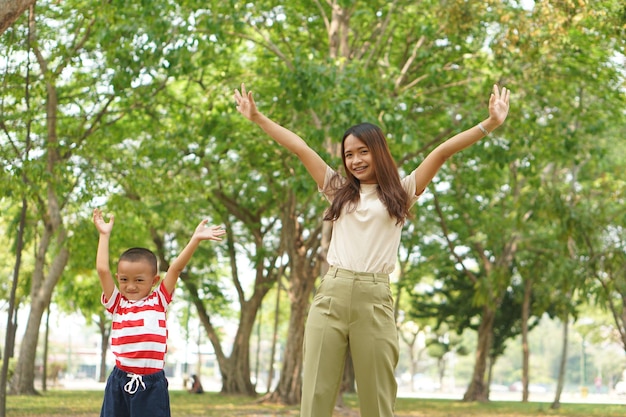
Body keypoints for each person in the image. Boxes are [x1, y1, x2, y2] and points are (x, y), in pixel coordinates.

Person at [234, 83, 510, 417]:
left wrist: (490, 124)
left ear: (378, 151)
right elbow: (301, 149)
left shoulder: (403, 192)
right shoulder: (337, 190)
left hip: (375, 301)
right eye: (349, 154)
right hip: (331, 295)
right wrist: (258, 117)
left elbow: (440, 153)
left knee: (377, 398)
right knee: (316, 395)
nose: (355, 160)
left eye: (362, 151)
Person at [92, 208, 225, 417]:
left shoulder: (158, 300)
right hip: (120, 381)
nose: (130, 286)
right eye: (124, 279)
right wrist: (104, 235)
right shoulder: (117, 303)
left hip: (151, 385)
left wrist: (195, 240)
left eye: (139, 280)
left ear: (154, 281)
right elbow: (102, 270)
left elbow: (175, 269)